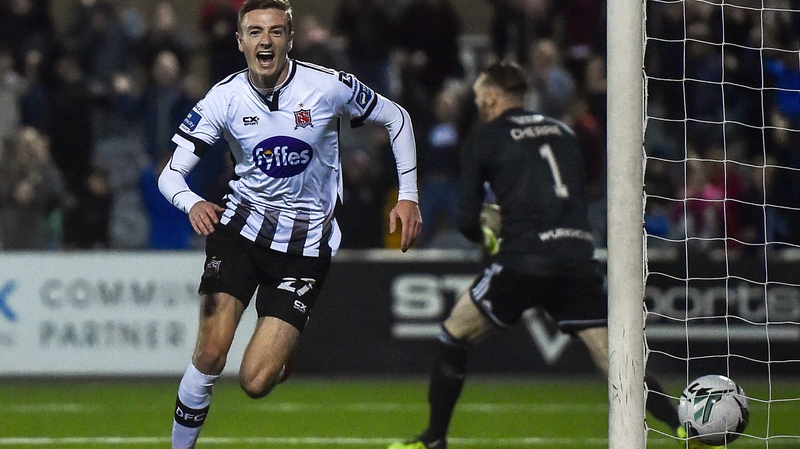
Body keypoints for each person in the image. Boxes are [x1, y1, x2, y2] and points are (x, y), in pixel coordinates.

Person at [157, 1, 422, 448]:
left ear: (290, 39)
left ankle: (278, 360)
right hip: (239, 232)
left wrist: (410, 196)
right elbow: (170, 175)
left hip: (303, 249)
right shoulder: (223, 98)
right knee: (210, 352)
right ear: (240, 41)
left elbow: (397, 118)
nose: (266, 41)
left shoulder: (327, 87)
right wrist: (193, 202)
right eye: (255, 32)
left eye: (276, 32)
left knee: (255, 381)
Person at [388, 61, 687, 449]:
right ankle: (681, 428)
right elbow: (587, 187)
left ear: (492, 96)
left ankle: (433, 440)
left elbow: (464, 220)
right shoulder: (564, 132)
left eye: (480, 94)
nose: (478, 101)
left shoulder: (485, 137)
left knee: (453, 334)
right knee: (612, 354)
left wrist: (487, 236)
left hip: (523, 259)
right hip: (576, 255)